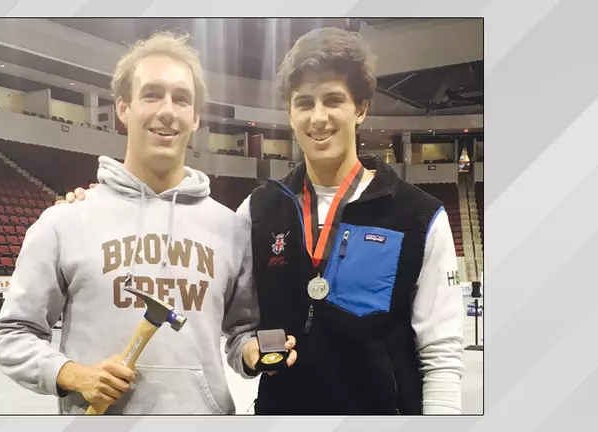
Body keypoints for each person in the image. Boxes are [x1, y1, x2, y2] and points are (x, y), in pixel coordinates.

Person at [60, 27, 465, 415]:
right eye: (304, 103)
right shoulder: (258, 210)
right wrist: (104, 204)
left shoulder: (419, 216)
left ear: (360, 109)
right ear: (290, 112)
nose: (318, 118)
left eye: (333, 101)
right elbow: (239, 331)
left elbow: (441, 356)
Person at [0, 31, 296, 416]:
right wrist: (72, 374)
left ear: (195, 117)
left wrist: (252, 352)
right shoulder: (65, 221)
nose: (167, 110)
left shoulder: (230, 229)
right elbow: (10, 334)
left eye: (181, 99)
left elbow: (241, 334)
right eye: (151, 94)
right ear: (123, 108)